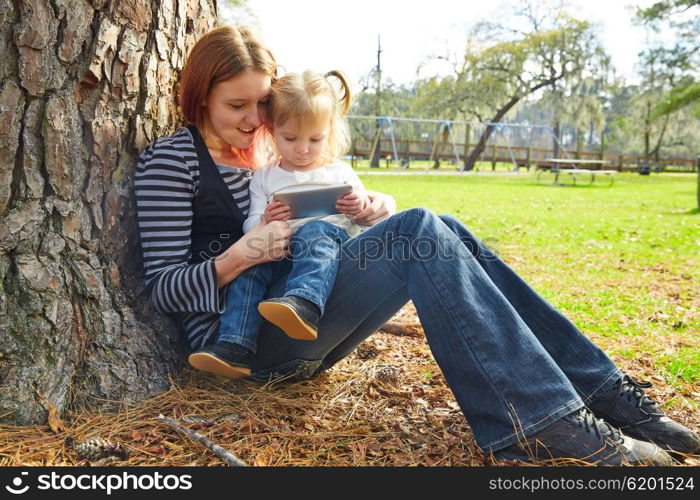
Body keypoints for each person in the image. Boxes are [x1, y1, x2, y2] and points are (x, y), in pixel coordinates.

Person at [133, 25, 699, 465]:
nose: (256, 121)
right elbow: (162, 290)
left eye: (263, 106)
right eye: (238, 106)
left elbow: (328, 230)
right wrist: (243, 253)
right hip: (246, 343)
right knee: (421, 229)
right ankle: (544, 419)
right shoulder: (173, 162)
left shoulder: (272, 153)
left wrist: (370, 209)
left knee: (440, 225)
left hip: (308, 315)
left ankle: (604, 392)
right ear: (200, 96)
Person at [188, 69, 371, 378]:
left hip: (324, 259)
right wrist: (265, 220)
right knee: (250, 269)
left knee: (315, 231)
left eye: (315, 139)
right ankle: (234, 346)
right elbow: (250, 226)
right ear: (272, 131)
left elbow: (361, 222)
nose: (303, 149)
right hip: (280, 254)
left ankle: (304, 305)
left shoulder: (339, 172)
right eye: (290, 138)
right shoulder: (266, 176)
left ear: (330, 132)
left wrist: (358, 206)